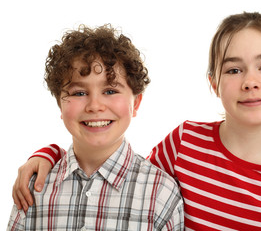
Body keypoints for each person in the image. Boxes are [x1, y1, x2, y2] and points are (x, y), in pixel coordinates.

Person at [12, 12, 261, 230]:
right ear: (213, 83)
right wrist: (49, 154)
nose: (250, 82)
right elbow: (115, 166)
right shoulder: (185, 143)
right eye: (233, 69)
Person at [7, 24, 184, 231]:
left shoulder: (162, 193)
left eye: (110, 91)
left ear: (135, 103)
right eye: (79, 93)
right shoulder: (34, 187)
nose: (94, 106)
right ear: (60, 105)